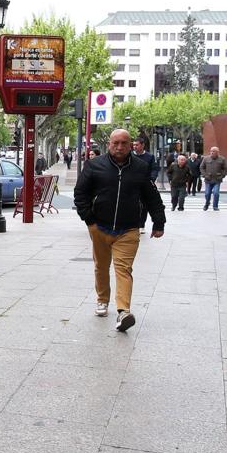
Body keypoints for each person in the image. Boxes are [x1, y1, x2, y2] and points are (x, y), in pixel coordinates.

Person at [74, 129, 166, 333]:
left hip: (129, 228)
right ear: (109, 144)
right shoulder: (94, 165)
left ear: (131, 144)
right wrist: (89, 220)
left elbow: (151, 197)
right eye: (115, 143)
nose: (119, 147)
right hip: (100, 226)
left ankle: (123, 310)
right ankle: (102, 300)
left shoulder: (141, 168)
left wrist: (159, 222)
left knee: (123, 269)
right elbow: (80, 193)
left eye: (124, 143)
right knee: (101, 266)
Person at [132, 137, 158, 231]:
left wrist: (152, 179)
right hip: (131, 185)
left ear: (143, 145)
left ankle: (141, 225)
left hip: (144, 185)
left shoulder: (149, 157)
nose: (134, 147)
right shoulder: (129, 155)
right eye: (133, 145)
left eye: (137, 145)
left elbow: (154, 169)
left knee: (144, 206)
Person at [199, 146, 227, 211]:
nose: (212, 152)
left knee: (216, 193)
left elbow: (225, 169)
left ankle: (215, 206)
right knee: (207, 193)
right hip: (208, 179)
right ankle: (207, 203)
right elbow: (201, 167)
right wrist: (205, 175)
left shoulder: (222, 159)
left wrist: (222, 176)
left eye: (214, 151)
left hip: (217, 180)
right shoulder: (206, 158)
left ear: (217, 152)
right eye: (211, 151)